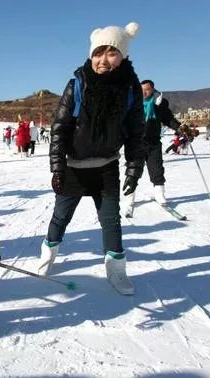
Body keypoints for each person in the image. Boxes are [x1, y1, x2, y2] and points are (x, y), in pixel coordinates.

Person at [35, 22, 146, 295]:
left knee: (111, 220)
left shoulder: (130, 89)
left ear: (123, 56)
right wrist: (57, 168)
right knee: (61, 217)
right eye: (99, 53)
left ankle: (116, 270)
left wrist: (134, 169)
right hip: (74, 167)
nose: (103, 60)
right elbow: (59, 128)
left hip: (107, 166)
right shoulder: (78, 85)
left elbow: (135, 134)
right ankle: (48, 255)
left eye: (112, 53)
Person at [125, 79, 181, 211]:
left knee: (156, 169)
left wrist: (180, 128)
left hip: (153, 142)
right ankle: (129, 197)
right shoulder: (132, 103)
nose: (144, 92)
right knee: (132, 171)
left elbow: (169, 119)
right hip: (135, 143)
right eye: (142, 89)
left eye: (147, 89)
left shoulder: (159, 104)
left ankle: (159, 195)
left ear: (153, 90)